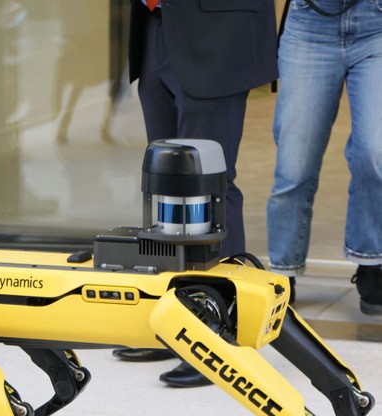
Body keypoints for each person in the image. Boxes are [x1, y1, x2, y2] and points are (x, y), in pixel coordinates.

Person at [113, 0, 279, 387]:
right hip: (157, 27)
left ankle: (218, 331)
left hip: (216, 30)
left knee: (209, 184)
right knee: (167, 183)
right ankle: (174, 323)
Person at [266, 0, 382, 315]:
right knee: (294, 163)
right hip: (309, 24)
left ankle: (371, 259)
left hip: (377, 23)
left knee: (375, 153)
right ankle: (283, 268)